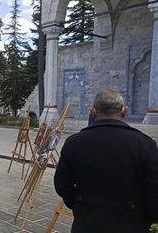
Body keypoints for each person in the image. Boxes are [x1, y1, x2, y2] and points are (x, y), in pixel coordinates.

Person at [54, 90, 158, 233]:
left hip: (87, 222)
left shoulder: (74, 142)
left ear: (93, 111)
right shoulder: (145, 145)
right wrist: (145, 219)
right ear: (124, 110)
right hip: (131, 224)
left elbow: (61, 183)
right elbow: (154, 191)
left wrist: (79, 205)